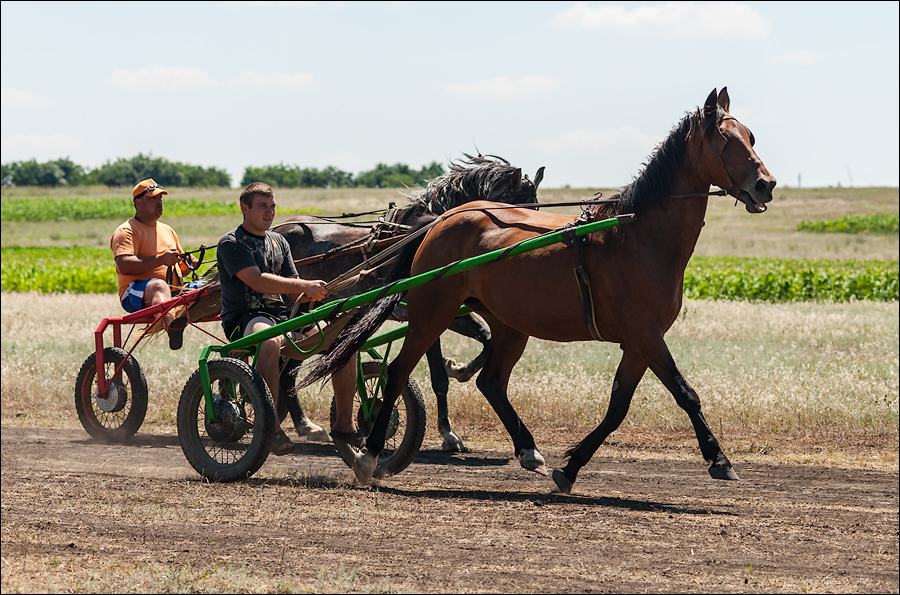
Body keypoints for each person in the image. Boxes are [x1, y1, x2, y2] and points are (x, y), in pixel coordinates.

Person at [216, 182, 362, 456]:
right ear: (244, 208)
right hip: (245, 318)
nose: (269, 212)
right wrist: (302, 287)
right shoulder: (231, 243)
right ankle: (269, 426)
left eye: (272, 207)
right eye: (262, 206)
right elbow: (257, 282)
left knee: (344, 341)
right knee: (269, 342)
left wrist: (317, 294)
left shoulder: (279, 241)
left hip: (284, 316)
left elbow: (294, 286)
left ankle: (344, 424)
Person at [110, 178, 194, 350]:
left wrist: (191, 263)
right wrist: (160, 259)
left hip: (172, 291)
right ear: (138, 203)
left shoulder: (168, 230)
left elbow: (181, 270)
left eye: (160, 198)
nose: (159, 202)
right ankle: (173, 328)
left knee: (210, 287)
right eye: (153, 198)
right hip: (135, 293)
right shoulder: (126, 231)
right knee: (158, 286)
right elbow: (124, 265)